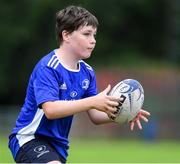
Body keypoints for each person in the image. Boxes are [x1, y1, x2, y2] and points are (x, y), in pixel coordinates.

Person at [8, 5, 150, 163]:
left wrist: (123, 113)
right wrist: (92, 101)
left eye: (94, 35)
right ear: (66, 35)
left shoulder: (87, 72)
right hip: (29, 139)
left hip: (58, 146)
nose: (93, 41)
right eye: (87, 34)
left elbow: (95, 116)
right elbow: (50, 110)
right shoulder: (49, 67)